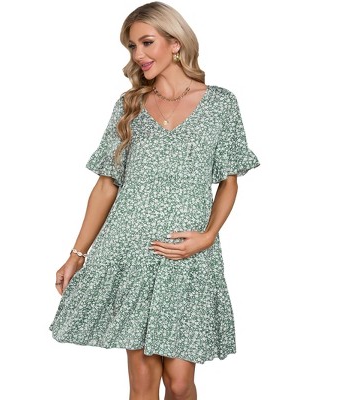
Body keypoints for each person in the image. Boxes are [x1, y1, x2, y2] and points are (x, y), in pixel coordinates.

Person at [49, 2, 260, 399]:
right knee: (143, 386)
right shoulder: (129, 106)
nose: (138, 55)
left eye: (147, 43)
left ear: (175, 43)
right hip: (132, 250)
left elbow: (229, 182)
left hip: (186, 253)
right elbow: (106, 185)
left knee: (179, 384)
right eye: (132, 46)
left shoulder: (220, 103)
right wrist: (77, 254)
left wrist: (208, 235)